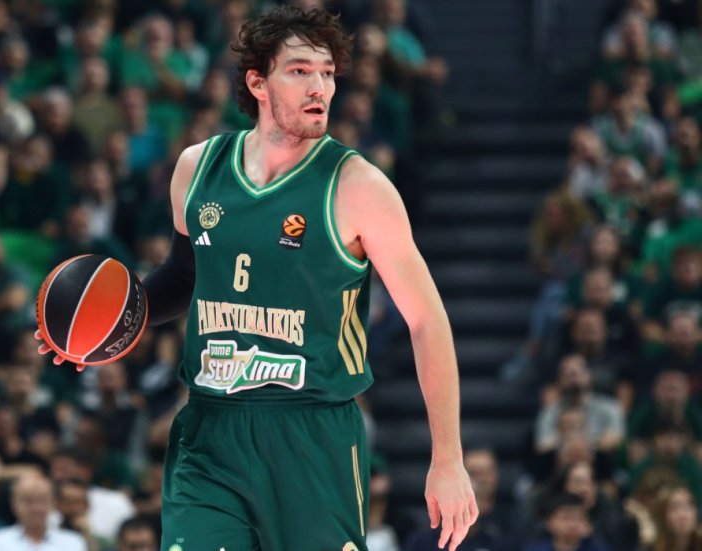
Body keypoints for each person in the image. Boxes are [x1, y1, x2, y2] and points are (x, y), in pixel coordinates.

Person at [37, 6, 476, 550]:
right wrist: (102, 328)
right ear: (257, 83)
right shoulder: (197, 169)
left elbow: (427, 320)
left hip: (312, 431)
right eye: (299, 71)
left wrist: (448, 458)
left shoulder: (359, 187)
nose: (319, 87)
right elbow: (184, 276)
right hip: (211, 427)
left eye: (327, 73)